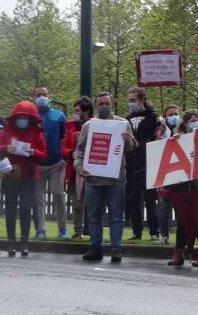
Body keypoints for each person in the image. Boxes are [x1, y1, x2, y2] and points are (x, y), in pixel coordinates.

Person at [75, 92, 135, 262]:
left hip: (116, 180)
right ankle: (95, 247)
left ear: (112, 104)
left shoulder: (123, 124)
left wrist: (128, 141)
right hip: (93, 179)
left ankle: (116, 249)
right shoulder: (88, 126)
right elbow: (79, 150)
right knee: (94, 217)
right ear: (96, 105)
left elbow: (133, 147)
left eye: (106, 103)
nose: (103, 106)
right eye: (100, 103)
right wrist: (78, 166)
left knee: (116, 216)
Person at [164, 110, 198, 268]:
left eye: (197, 119)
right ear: (184, 123)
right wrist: (175, 141)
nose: (195, 122)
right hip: (180, 183)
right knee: (181, 218)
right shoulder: (178, 137)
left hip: (197, 183)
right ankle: (178, 252)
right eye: (191, 120)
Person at [1, 101, 47, 255]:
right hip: (10, 176)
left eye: (25, 117)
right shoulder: (5, 133)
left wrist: (34, 152)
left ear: (30, 118)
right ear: (14, 118)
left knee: (26, 209)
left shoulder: (36, 134)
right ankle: (11, 243)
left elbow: (44, 154)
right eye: (19, 117)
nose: (22, 120)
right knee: (10, 210)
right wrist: (4, 148)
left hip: (29, 176)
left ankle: (24, 243)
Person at [124, 87, 163, 241]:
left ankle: (154, 231)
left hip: (148, 164)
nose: (131, 103)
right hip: (131, 165)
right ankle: (136, 231)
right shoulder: (126, 119)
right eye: (129, 101)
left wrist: (140, 145)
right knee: (134, 201)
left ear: (142, 100)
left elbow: (156, 139)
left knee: (150, 200)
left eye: (133, 100)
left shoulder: (153, 118)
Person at [30, 86, 68, 239]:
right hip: (37, 164)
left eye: (44, 94)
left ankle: (62, 229)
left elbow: (66, 137)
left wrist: (64, 157)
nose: (41, 97)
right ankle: (40, 230)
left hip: (56, 164)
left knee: (58, 194)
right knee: (38, 198)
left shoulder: (58, 115)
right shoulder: (31, 117)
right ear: (33, 97)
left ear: (48, 95)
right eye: (38, 95)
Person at [60, 96, 93, 240]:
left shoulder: (96, 124)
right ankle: (78, 232)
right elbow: (63, 147)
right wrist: (71, 153)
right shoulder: (70, 126)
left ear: (86, 112)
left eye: (77, 111)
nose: (75, 113)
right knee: (77, 202)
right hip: (74, 171)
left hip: (93, 171)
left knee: (93, 203)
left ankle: (93, 232)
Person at [155, 104, 180, 247]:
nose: (173, 116)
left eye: (175, 113)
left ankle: (180, 236)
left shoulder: (184, 130)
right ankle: (164, 234)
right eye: (170, 114)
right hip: (164, 174)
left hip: (179, 174)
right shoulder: (162, 131)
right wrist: (159, 135)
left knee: (179, 208)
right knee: (163, 207)